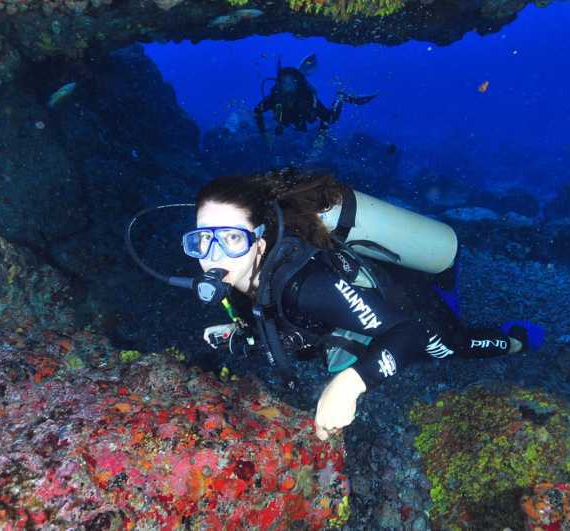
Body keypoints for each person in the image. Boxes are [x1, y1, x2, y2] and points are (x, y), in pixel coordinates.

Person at [179, 170, 543, 441]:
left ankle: (515, 339)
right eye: (201, 240)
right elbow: (284, 329)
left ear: (259, 244)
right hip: (358, 304)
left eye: (231, 237)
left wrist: (350, 385)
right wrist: (239, 333)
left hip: (405, 302)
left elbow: (408, 332)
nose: (213, 256)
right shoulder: (239, 277)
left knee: (448, 345)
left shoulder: (307, 286)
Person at [253, 55, 376, 147]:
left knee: (331, 119)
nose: (287, 86)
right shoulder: (275, 98)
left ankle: (341, 97)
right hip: (292, 120)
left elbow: (325, 121)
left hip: (305, 116)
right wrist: (263, 133)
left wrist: (320, 139)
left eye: (292, 82)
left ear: (298, 84)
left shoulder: (306, 99)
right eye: (284, 82)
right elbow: (257, 110)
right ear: (279, 84)